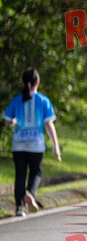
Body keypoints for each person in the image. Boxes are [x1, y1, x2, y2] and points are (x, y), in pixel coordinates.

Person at [3, 68, 61, 217]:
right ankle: (30, 193)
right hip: (36, 145)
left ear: (22, 83)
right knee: (36, 172)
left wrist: (14, 121)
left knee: (20, 174)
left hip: (18, 144)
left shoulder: (16, 100)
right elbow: (49, 124)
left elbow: (7, 120)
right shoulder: (44, 101)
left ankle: (19, 208)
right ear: (38, 83)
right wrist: (56, 146)